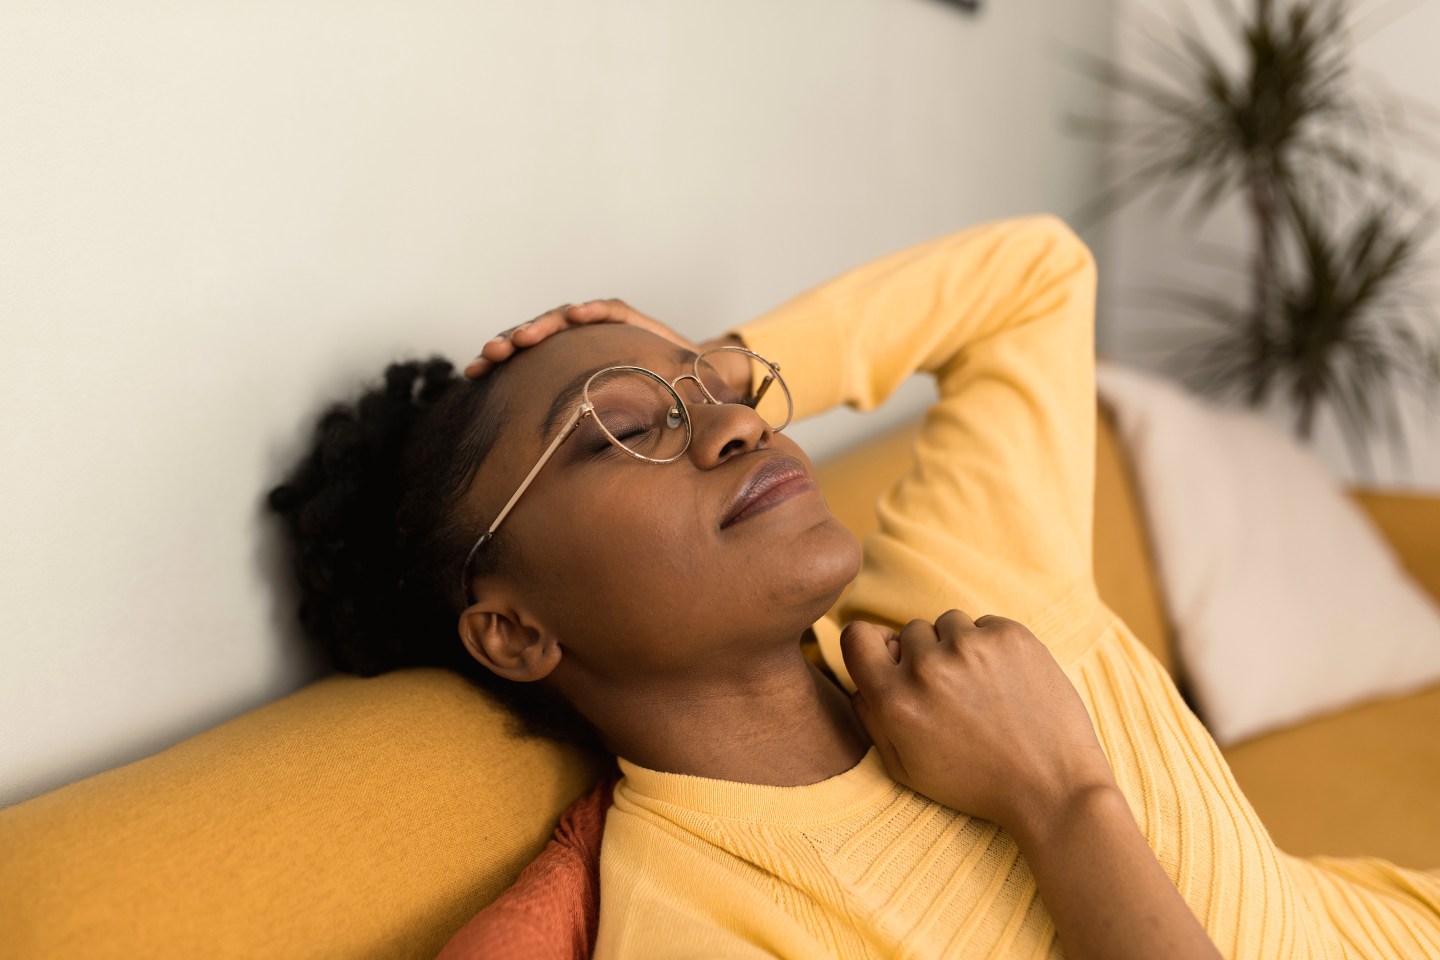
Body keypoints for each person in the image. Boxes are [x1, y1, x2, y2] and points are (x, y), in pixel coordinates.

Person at [267, 215, 1440, 959]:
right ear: (516, 633)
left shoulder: (962, 582)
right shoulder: (707, 921)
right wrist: (1059, 798)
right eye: (620, 431)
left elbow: (1034, 279)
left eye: (721, 394)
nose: (736, 426)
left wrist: (721, 357)